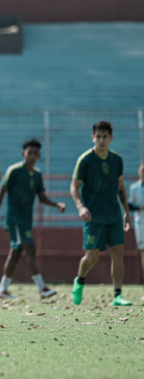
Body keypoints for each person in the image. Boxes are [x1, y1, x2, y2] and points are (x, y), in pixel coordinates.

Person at [0, 139, 66, 300]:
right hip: (16, 218)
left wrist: (56, 204)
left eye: (35, 153)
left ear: (39, 156)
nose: (32, 156)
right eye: (29, 152)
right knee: (30, 249)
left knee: (16, 253)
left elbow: (42, 197)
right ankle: (42, 288)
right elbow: (1, 191)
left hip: (26, 219)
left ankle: (3, 290)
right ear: (23, 153)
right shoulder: (14, 170)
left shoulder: (37, 175)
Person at [70, 121, 132, 306]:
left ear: (111, 138)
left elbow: (121, 188)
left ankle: (117, 295)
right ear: (93, 137)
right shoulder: (85, 160)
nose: (101, 140)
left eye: (105, 137)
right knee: (92, 256)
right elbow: (74, 187)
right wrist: (81, 207)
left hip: (113, 214)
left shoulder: (117, 160)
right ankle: (79, 281)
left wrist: (126, 212)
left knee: (118, 252)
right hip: (93, 216)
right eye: (98, 136)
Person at [128, 162, 144, 288]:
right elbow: (129, 205)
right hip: (141, 221)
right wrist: (139, 207)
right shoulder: (134, 188)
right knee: (143, 251)